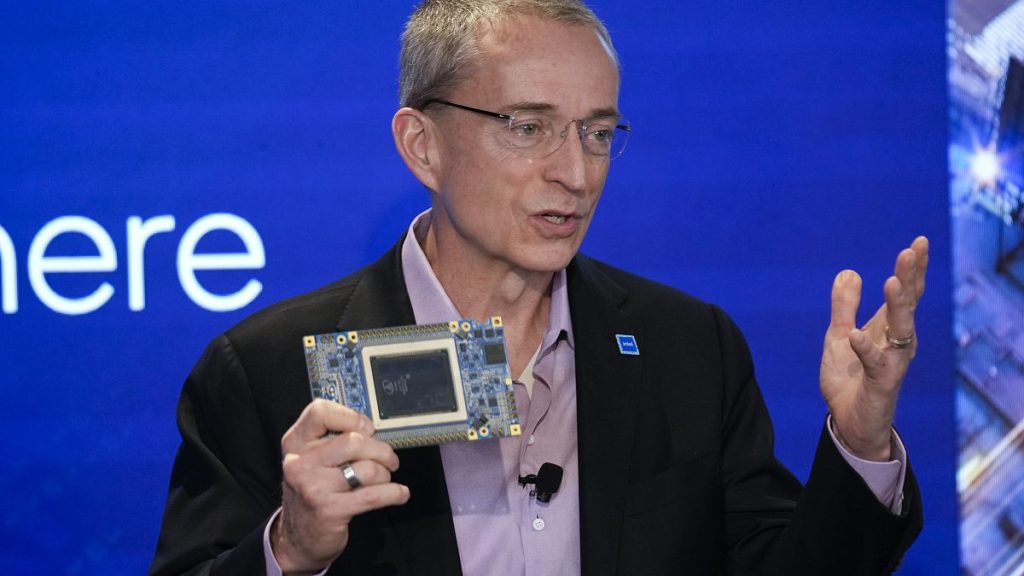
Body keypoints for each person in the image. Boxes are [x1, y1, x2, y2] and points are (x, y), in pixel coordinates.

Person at [150, 1, 926, 574]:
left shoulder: (689, 347)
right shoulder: (267, 369)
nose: (576, 172)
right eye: (527, 126)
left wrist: (859, 445)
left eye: (596, 132)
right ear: (423, 147)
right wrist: (289, 551)